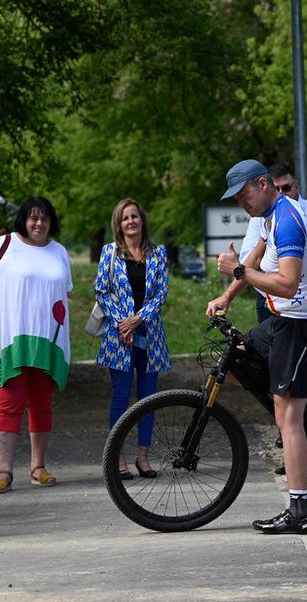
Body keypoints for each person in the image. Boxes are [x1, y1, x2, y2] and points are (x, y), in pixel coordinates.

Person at [208, 160, 307, 535]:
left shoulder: (289, 220)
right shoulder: (268, 217)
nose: (241, 203)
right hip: (282, 322)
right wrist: (228, 294)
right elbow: (254, 260)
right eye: (236, 199)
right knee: (233, 358)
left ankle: (298, 512)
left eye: (244, 194)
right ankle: (299, 402)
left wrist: (238, 273)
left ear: (264, 184)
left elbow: (288, 284)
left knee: (286, 417)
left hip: (303, 324)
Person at [0, 196, 73, 493]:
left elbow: (63, 295)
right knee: (9, 402)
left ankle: (38, 467)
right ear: (24, 220)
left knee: (42, 403)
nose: (38, 223)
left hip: (47, 339)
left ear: (51, 222)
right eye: (33, 218)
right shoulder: (5, 245)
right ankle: (4, 470)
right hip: (11, 337)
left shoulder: (60, 252)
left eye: (45, 218)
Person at [94, 199, 171, 479]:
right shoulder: (109, 253)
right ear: (119, 223)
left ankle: (143, 458)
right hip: (119, 338)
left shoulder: (158, 253)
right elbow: (102, 291)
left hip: (150, 334)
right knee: (121, 397)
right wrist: (122, 323)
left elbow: (161, 294)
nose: (131, 222)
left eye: (135, 216)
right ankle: (119, 458)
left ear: (142, 220)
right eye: (125, 218)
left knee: (148, 397)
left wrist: (138, 320)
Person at [238, 162, 307, 323]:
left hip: (305, 304)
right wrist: (227, 297)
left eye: (287, 188)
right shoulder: (261, 216)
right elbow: (248, 260)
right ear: (267, 187)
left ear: (296, 185)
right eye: (277, 189)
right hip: (269, 298)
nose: (282, 193)